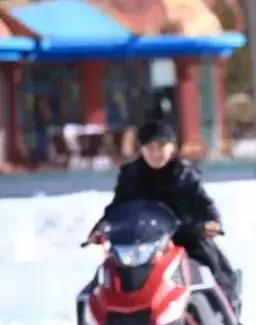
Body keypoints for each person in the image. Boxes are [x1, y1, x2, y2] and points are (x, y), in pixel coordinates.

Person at [89, 120, 240, 314]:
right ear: (141, 149)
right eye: (149, 147)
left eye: (161, 146)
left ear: (172, 147)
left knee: (218, 273)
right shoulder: (131, 175)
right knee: (103, 280)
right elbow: (117, 207)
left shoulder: (185, 174)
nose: (155, 153)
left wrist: (211, 222)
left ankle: (226, 323)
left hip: (185, 239)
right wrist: (101, 228)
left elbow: (204, 204)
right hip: (142, 245)